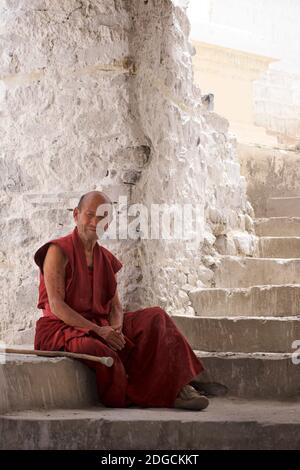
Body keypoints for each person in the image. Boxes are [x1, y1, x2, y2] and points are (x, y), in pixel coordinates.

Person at [34, 190, 209, 411]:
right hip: (62, 328)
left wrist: (115, 329)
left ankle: (179, 386)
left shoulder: (104, 257)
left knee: (156, 317)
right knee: (100, 350)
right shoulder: (58, 251)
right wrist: (99, 332)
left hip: (100, 325)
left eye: (102, 218)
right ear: (76, 215)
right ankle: (153, 393)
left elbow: (115, 306)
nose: (95, 222)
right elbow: (57, 306)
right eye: (90, 215)